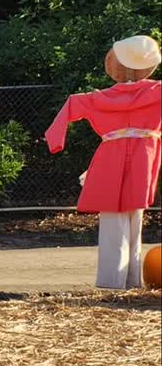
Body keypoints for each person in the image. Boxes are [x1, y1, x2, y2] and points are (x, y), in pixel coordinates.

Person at [44, 34, 161, 289]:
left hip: (111, 157)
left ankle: (113, 281)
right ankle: (131, 280)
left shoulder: (98, 98)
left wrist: (55, 141)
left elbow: (71, 104)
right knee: (135, 217)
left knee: (112, 220)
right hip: (144, 156)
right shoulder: (158, 92)